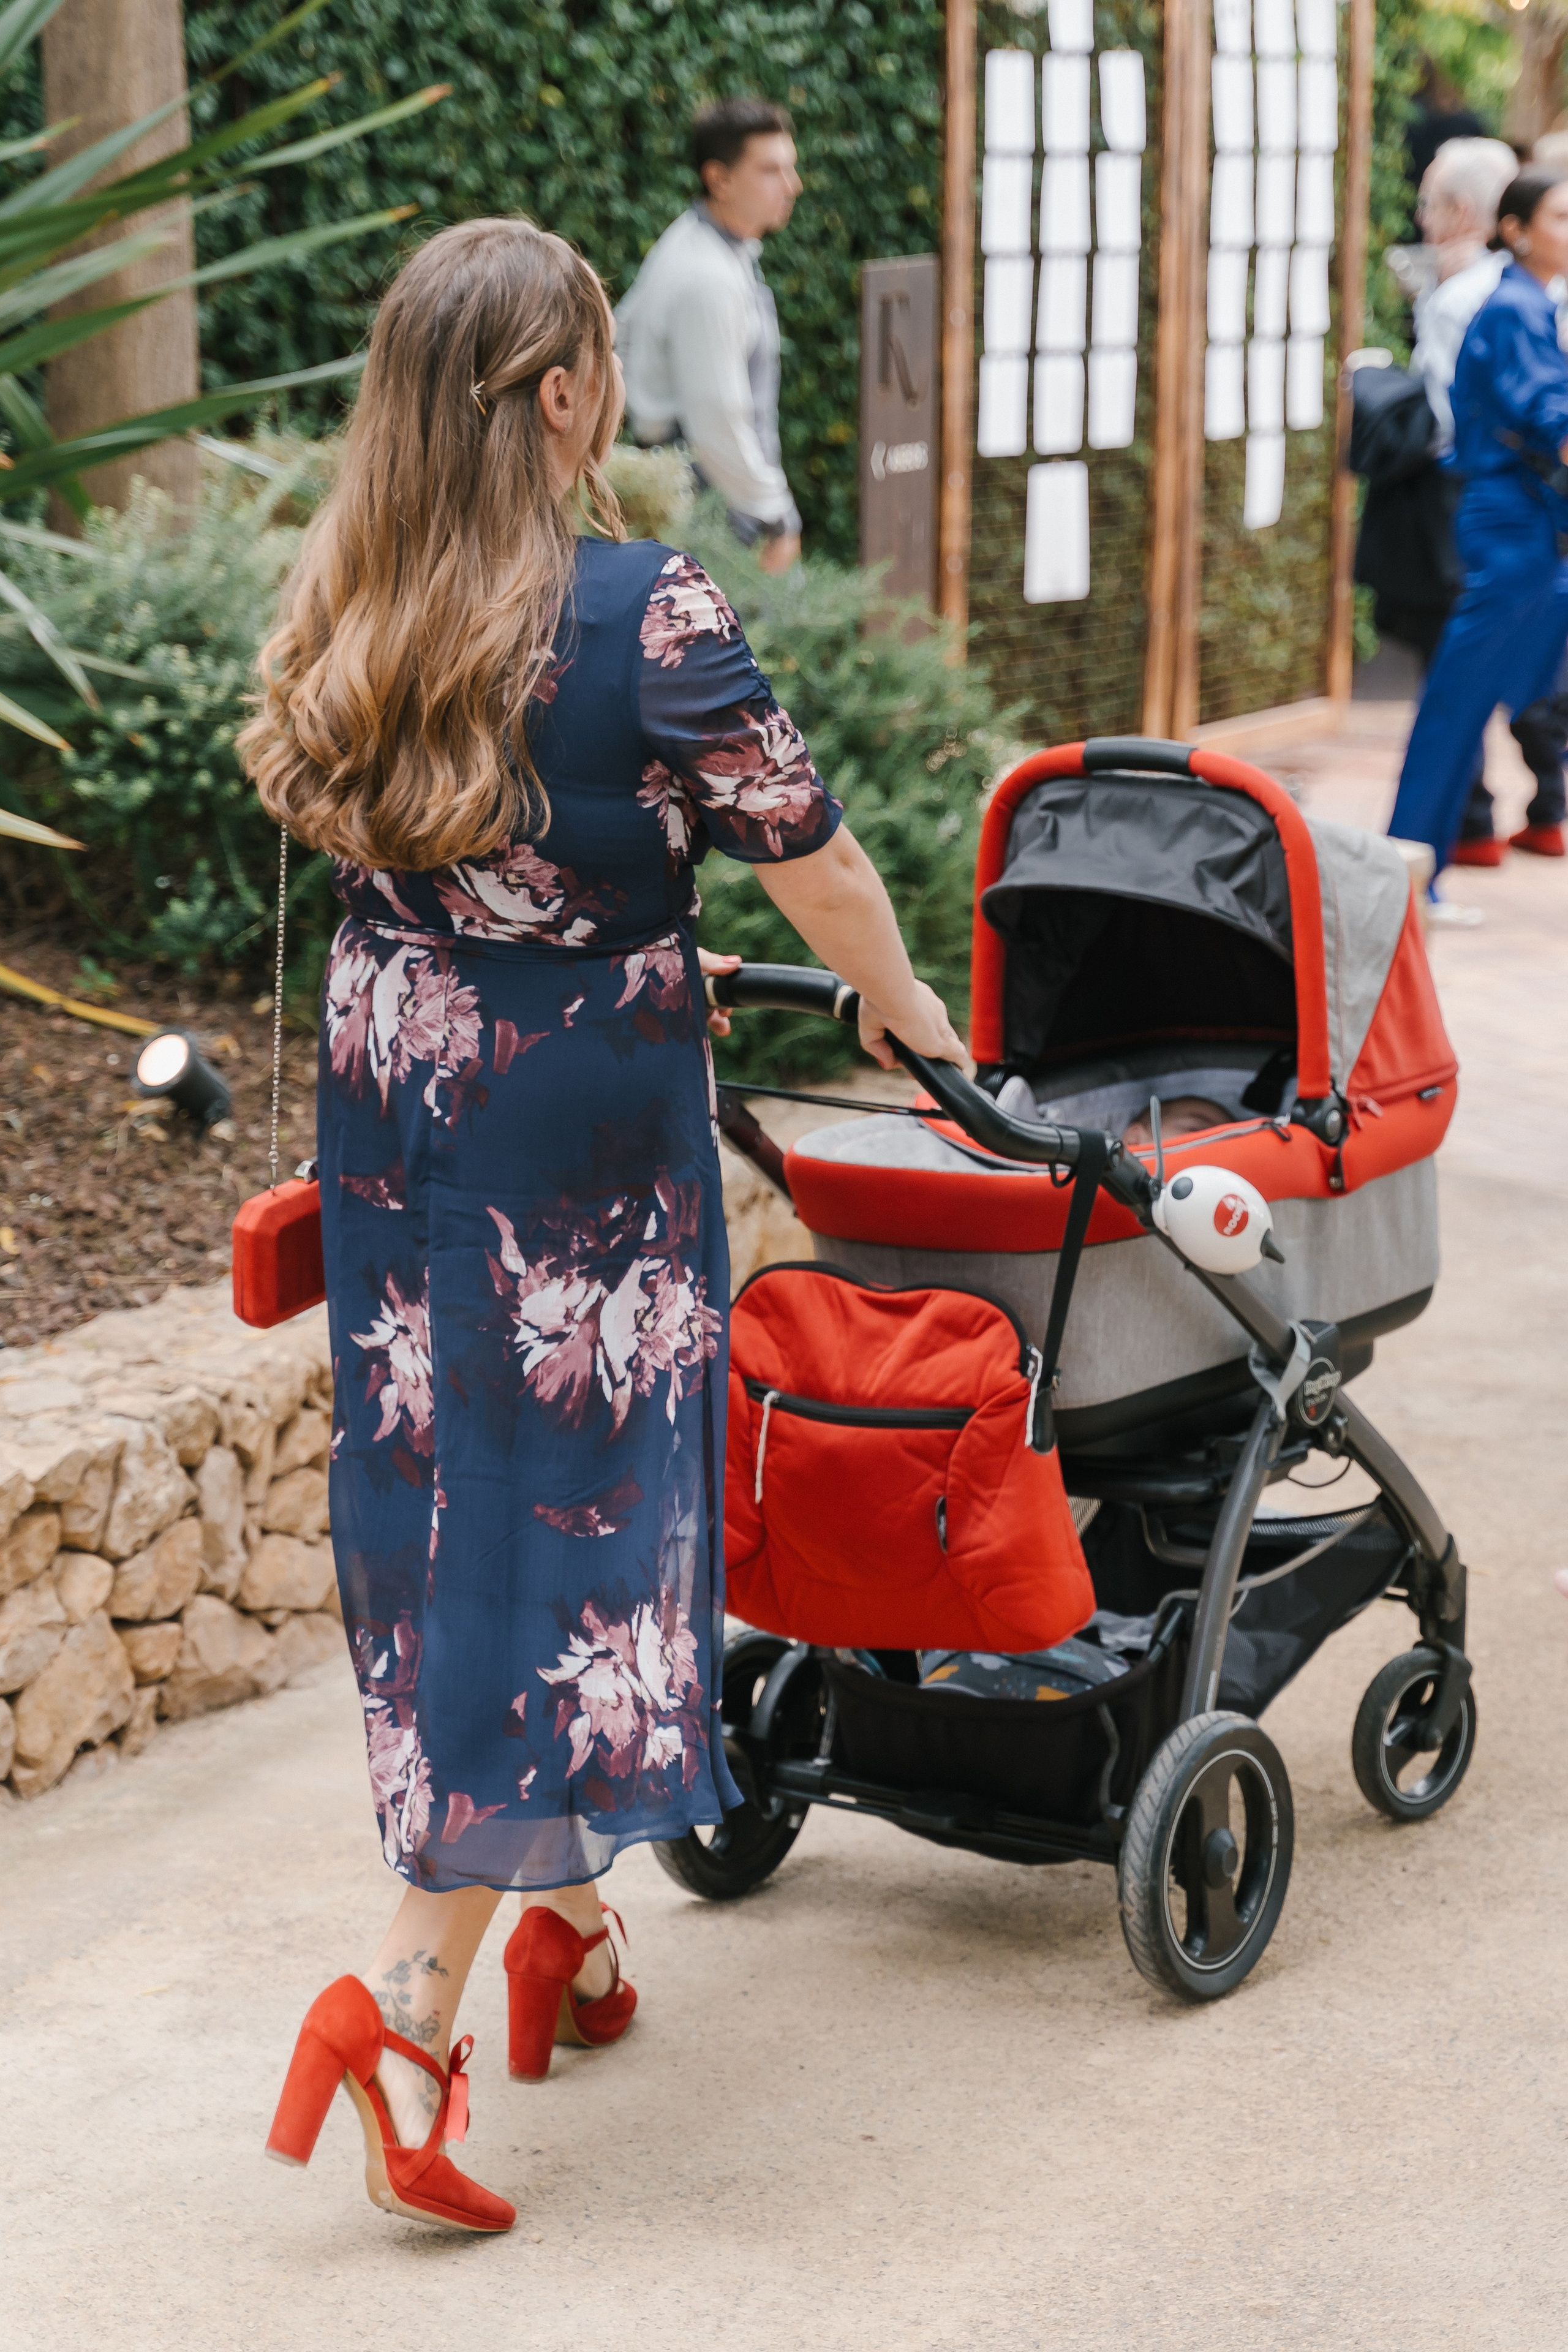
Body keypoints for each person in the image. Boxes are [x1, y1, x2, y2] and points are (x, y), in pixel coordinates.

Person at [238, 216, 963, 2234]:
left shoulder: (347, 594)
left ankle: (572, 1936)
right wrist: (910, 1024)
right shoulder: (642, 612)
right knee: (564, 1521)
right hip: (579, 1138)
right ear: (567, 397)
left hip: (405, 1088)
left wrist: (609, 936)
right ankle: (403, 1999)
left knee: (459, 1490)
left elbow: (457, 861)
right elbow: (810, 858)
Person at [1389, 171, 1568, 897]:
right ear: (1515, 229)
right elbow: (1553, 424)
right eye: (1562, 215)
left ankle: (1410, 869)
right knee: (1456, 708)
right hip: (1510, 533)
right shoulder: (1513, 310)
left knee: (1474, 703)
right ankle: (1404, 872)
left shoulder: (1533, 304)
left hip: (1532, 528)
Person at [1368, 138, 1515, 868]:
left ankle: (1449, 836)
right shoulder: (1498, 290)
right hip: (1492, 507)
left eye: (1427, 201)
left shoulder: (1470, 298)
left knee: (1463, 669)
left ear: (1462, 211)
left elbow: (1452, 418)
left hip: (1473, 507)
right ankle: (1478, 821)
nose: (1422, 217)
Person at [616, 97, 803, 572]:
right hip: (705, 517)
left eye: (791, 168)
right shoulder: (708, 277)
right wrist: (776, 516)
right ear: (718, 178)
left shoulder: (694, 242)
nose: (792, 186)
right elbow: (717, 418)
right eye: (770, 170)